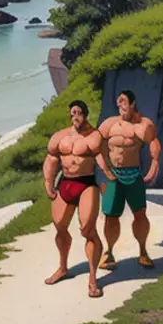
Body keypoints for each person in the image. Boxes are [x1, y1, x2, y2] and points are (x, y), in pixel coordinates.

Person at [42, 99, 105, 298]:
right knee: (60, 226)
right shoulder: (60, 137)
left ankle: (93, 278)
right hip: (66, 183)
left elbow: (104, 162)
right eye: (72, 113)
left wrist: (107, 184)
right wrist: (48, 183)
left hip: (86, 184)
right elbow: (51, 160)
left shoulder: (94, 136)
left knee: (88, 229)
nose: (75, 116)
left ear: (85, 114)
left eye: (78, 113)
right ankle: (63, 268)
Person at [96, 89, 160, 271]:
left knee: (140, 214)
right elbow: (96, 145)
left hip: (133, 175)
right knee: (110, 216)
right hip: (113, 176)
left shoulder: (142, 124)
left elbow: (153, 141)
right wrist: (105, 168)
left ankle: (143, 251)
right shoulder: (109, 124)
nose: (120, 105)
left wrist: (154, 164)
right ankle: (108, 252)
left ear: (132, 103)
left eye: (124, 101)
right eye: (118, 102)